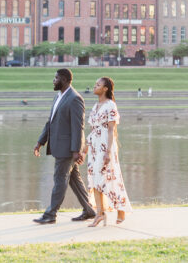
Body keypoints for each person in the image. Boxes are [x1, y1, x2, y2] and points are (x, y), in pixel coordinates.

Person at [32, 68, 95, 225]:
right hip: (59, 146)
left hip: (67, 150)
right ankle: (89, 210)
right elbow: (50, 122)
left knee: (60, 179)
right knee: (74, 179)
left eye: (56, 78)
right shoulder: (58, 96)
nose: (53, 80)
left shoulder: (75, 99)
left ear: (65, 80)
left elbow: (78, 126)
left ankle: (50, 214)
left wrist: (76, 151)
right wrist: (40, 141)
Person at [81, 76, 131, 227]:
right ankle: (100, 214)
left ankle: (121, 208)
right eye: (95, 84)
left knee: (111, 177)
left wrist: (108, 152)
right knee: (94, 179)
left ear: (105, 89)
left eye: (98, 85)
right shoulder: (95, 106)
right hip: (95, 147)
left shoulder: (110, 106)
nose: (94, 86)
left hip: (105, 146)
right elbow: (92, 130)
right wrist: (85, 149)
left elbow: (111, 130)